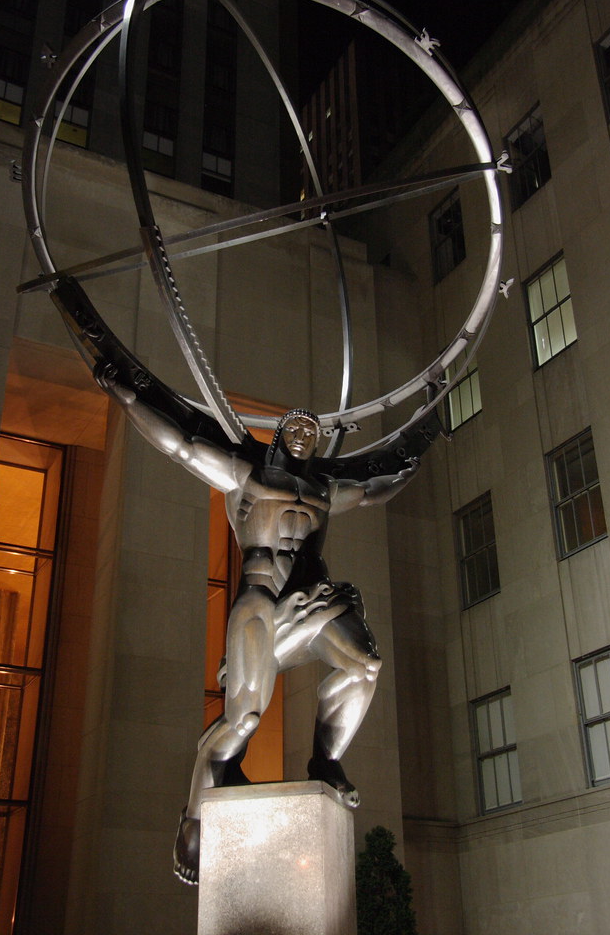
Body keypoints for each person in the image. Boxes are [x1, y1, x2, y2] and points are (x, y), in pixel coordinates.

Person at [94, 366, 419, 885]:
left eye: (313, 432)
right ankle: (195, 814)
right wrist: (127, 393)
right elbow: (180, 442)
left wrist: (423, 436)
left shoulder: (325, 488)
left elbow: (380, 482)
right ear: (279, 435)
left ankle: (326, 761)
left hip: (311, 601)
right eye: (296, 427)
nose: (304, 435)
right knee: (243, 720)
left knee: (365, 665)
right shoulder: (248, 472)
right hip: (262, 603)